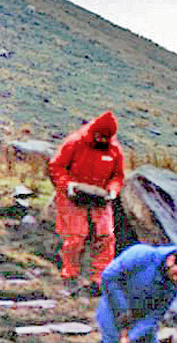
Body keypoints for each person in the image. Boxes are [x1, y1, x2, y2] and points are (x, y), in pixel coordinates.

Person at [48, 111, 125, 296]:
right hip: (73, 195)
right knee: (76, 236)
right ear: (94, 131)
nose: (103, 140)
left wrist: (114, 189)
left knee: (105, 236)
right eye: (100, 136)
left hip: (100, 196)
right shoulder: (75, 142)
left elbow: (118, 175)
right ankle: (70, 276)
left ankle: (99, 280)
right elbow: (55, 167)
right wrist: (68, 185)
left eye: (107, 137)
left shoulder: (114, 149)